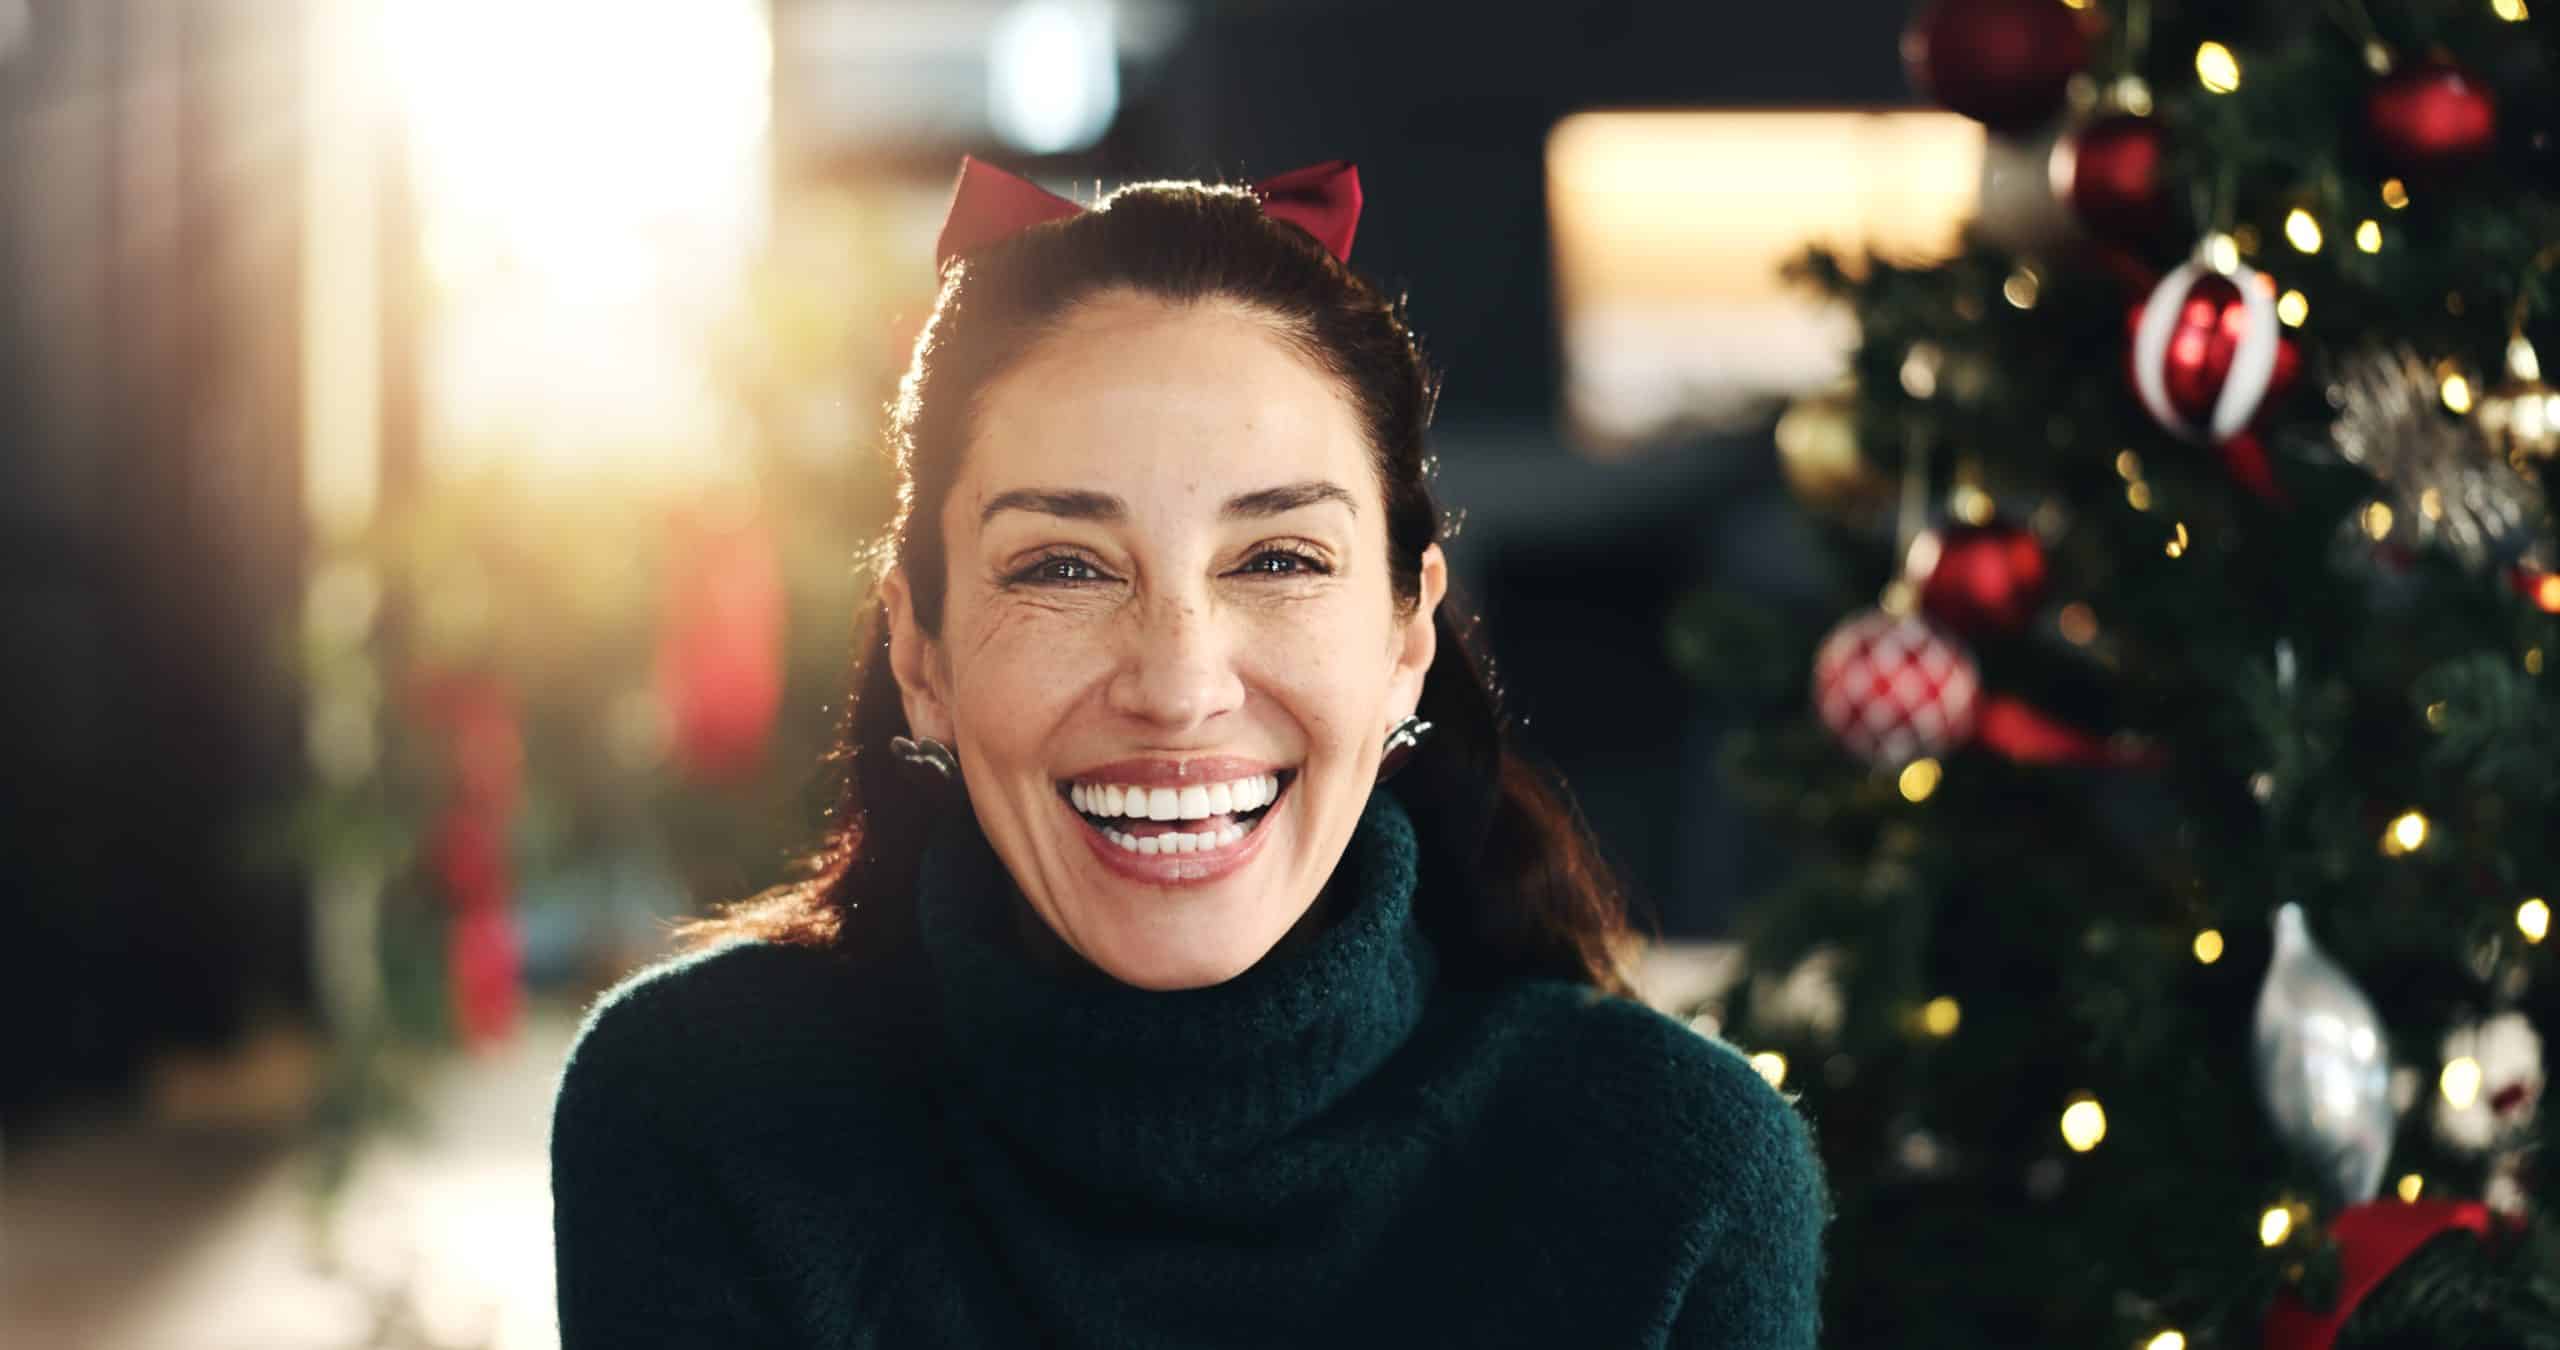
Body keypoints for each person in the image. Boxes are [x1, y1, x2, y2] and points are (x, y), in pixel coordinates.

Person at [549, 157, 1828, 1348]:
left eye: (1276, 560)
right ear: (920, 654)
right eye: (1061, 566)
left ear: (1405, 637)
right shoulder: (698, 1112)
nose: (1176, 686)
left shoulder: (1677, 1174)